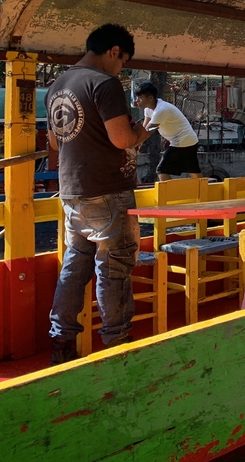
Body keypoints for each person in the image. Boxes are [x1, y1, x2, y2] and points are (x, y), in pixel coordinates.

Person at [46, 24, 153, 364]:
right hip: (107, 191)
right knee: (114, 267)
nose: (121, 69)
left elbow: (54, 142)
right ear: (114, 51)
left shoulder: (58, 85)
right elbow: (121, 139)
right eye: (123, 62)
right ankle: (116, 343)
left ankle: (61, 340)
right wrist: (141, 132)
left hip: (72, 192)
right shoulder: (104, 84)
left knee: (75, 265)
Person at [134, 81, 202, 180]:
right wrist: (137, 145)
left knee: (162, 170)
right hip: (189, 140)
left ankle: (170, 195)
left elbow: (147, 133)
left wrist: (132, 146)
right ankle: (208, 191)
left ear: (150, 98)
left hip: (182, 141)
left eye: (140, 98)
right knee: (194, 171)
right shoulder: (148, 109)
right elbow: (144, 129)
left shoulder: (161, 110)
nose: (137, 101)